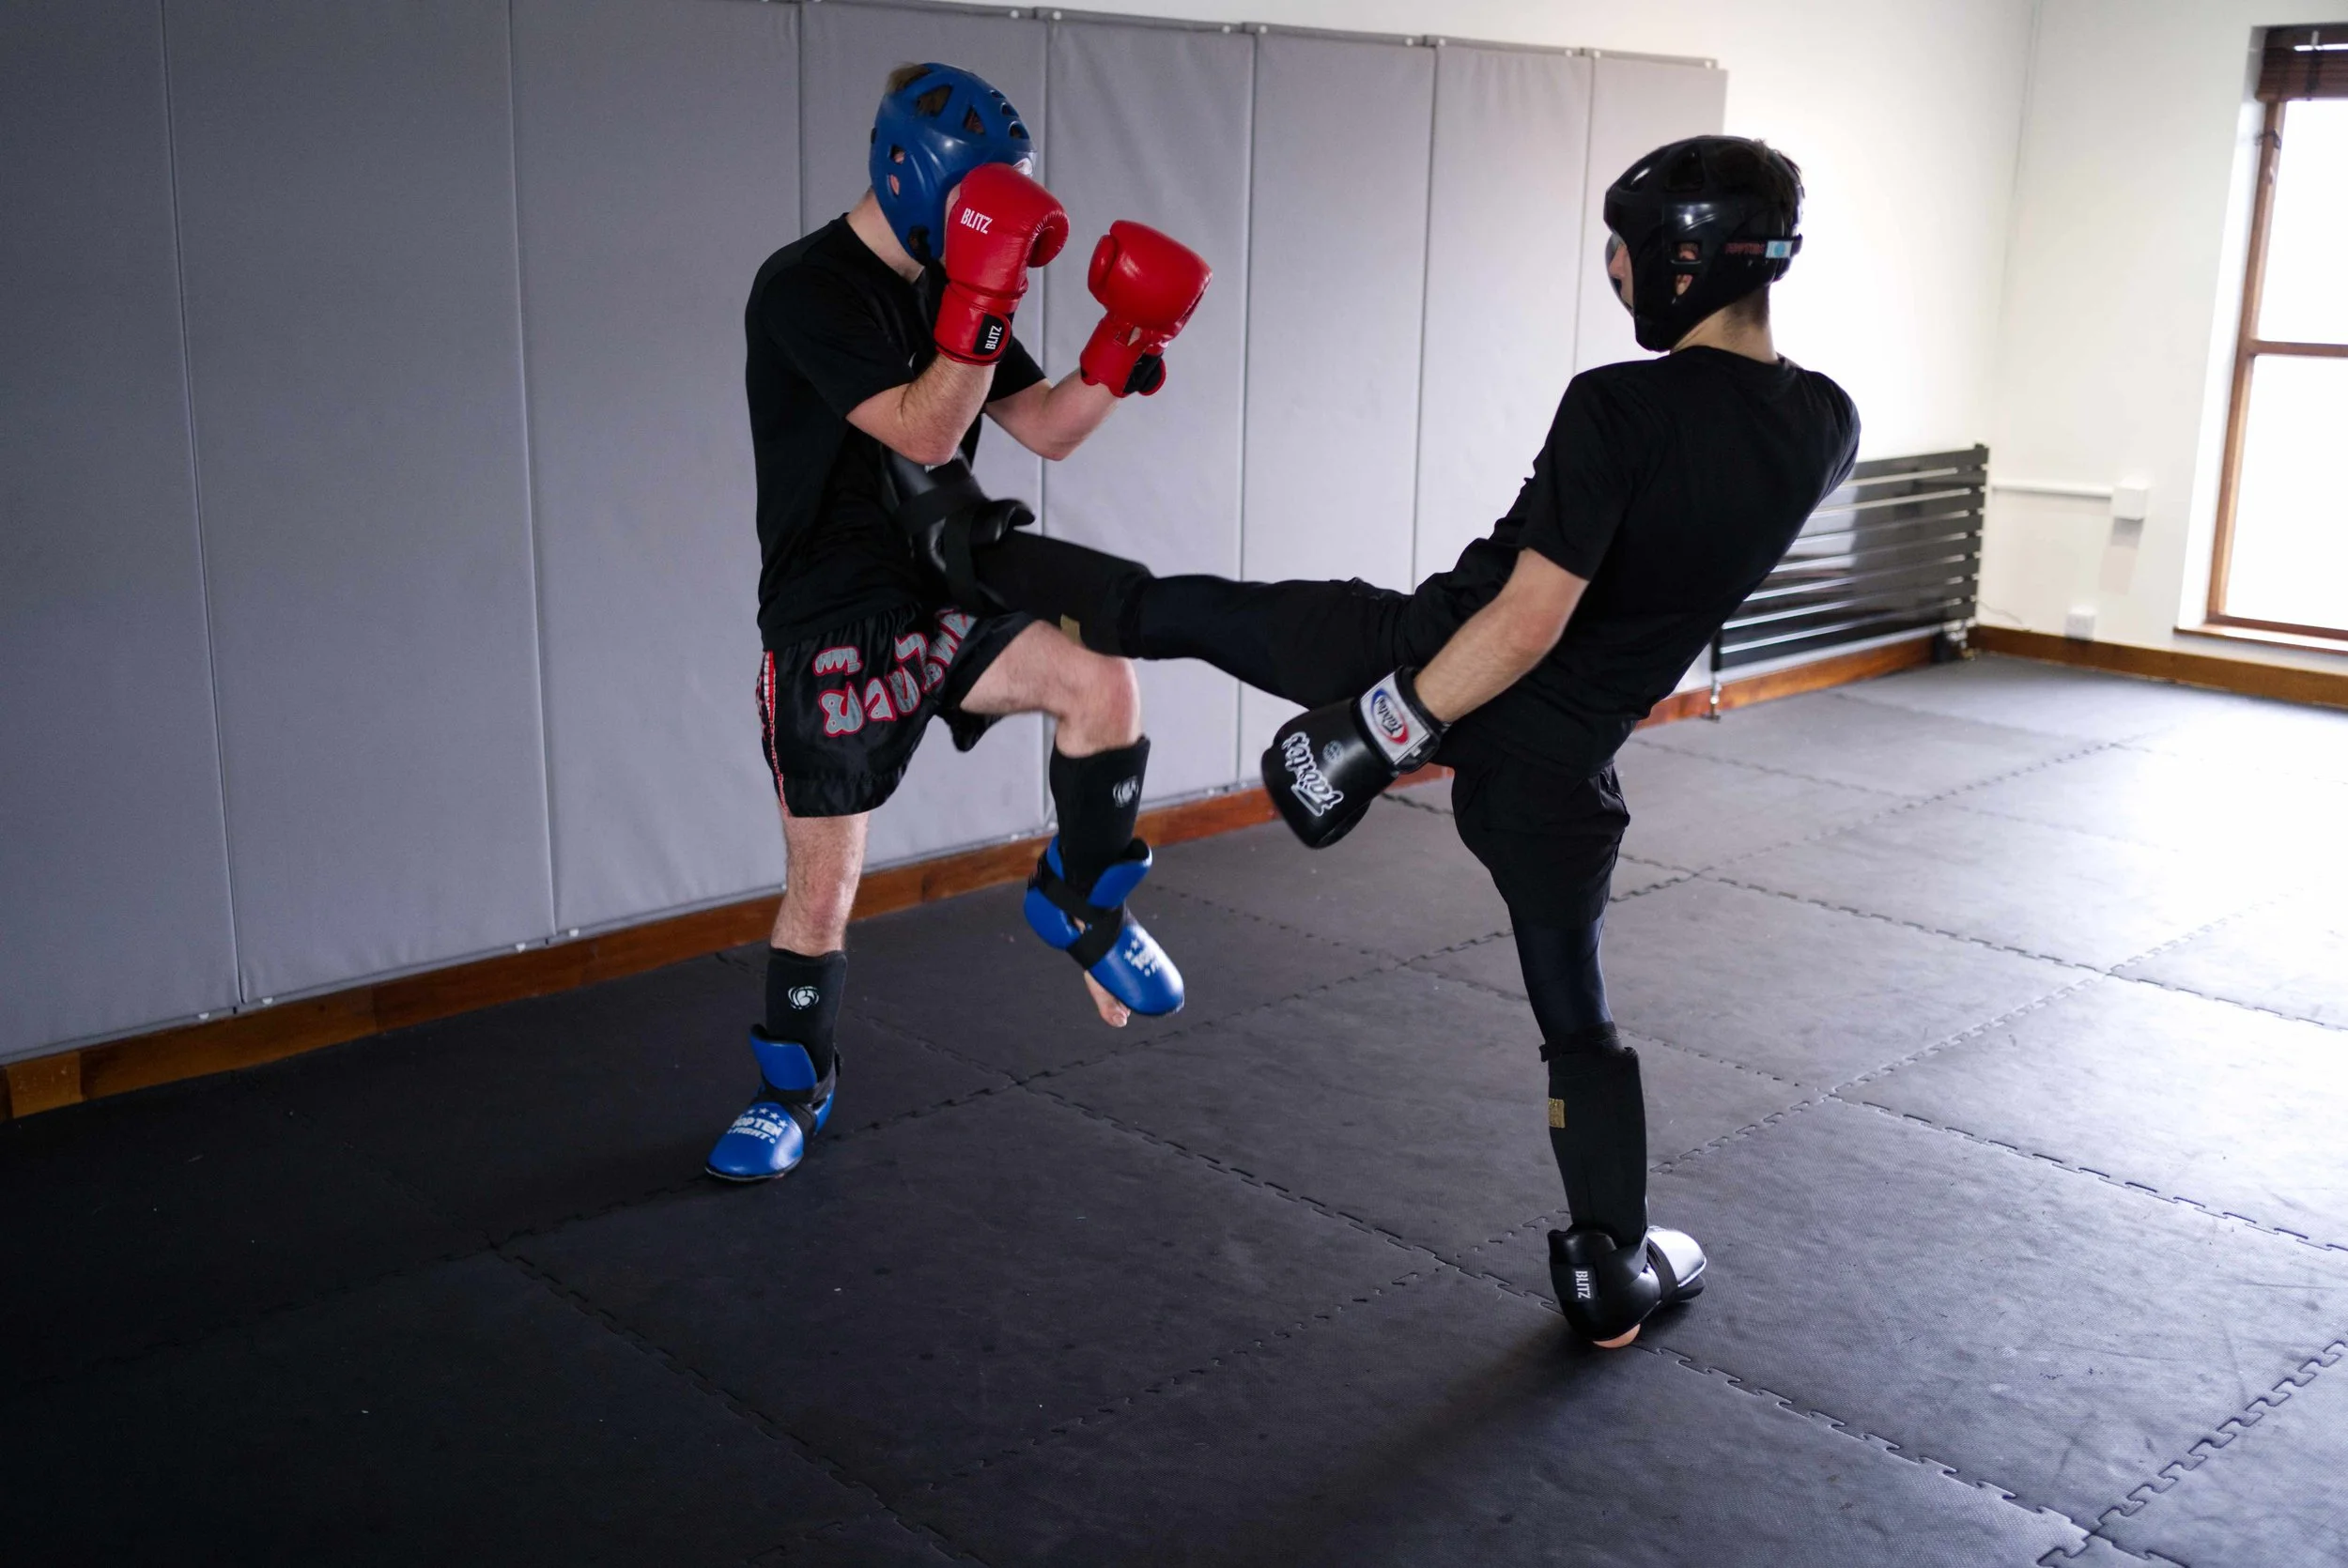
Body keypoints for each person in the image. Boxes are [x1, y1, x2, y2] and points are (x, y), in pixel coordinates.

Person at [911, 135, 1859, 1347]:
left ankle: (961, 552)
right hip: (1557, 765)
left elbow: (1528, 616)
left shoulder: (1619, 405)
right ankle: (1607, 1270)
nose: (1615, 271)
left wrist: (1383, 728)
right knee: (1576, 1016)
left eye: (1622, 249)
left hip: (1427, 657)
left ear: (1684, 259)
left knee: (1188, 610)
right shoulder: (1826, 423)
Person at [707, 63, 1213, 1184]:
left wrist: (1123, 340)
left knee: (1101, 681)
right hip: (830, 622)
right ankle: (791, 1088)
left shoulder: (949, 277)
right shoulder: (802, 288)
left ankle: (1082, 903)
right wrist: (982, 297)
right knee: (823, 890)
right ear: (910, 172)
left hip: (941, 590)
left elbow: (1046, 428)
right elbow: (925, 430)